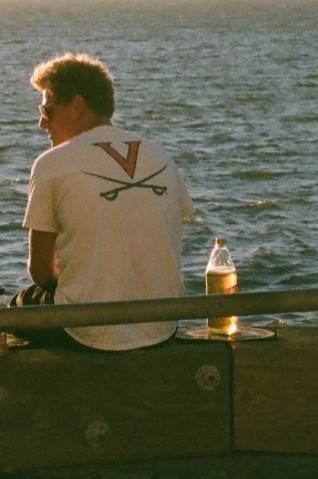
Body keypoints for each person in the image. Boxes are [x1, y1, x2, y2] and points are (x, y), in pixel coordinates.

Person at [16, 52, 193, 350]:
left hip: (87, 334)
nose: (41, 123)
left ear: (77, 105)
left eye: (47, 109)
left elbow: (41, 272)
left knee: (20, 303)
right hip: (162, 326)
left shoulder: (51, 163)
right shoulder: (159, 154)